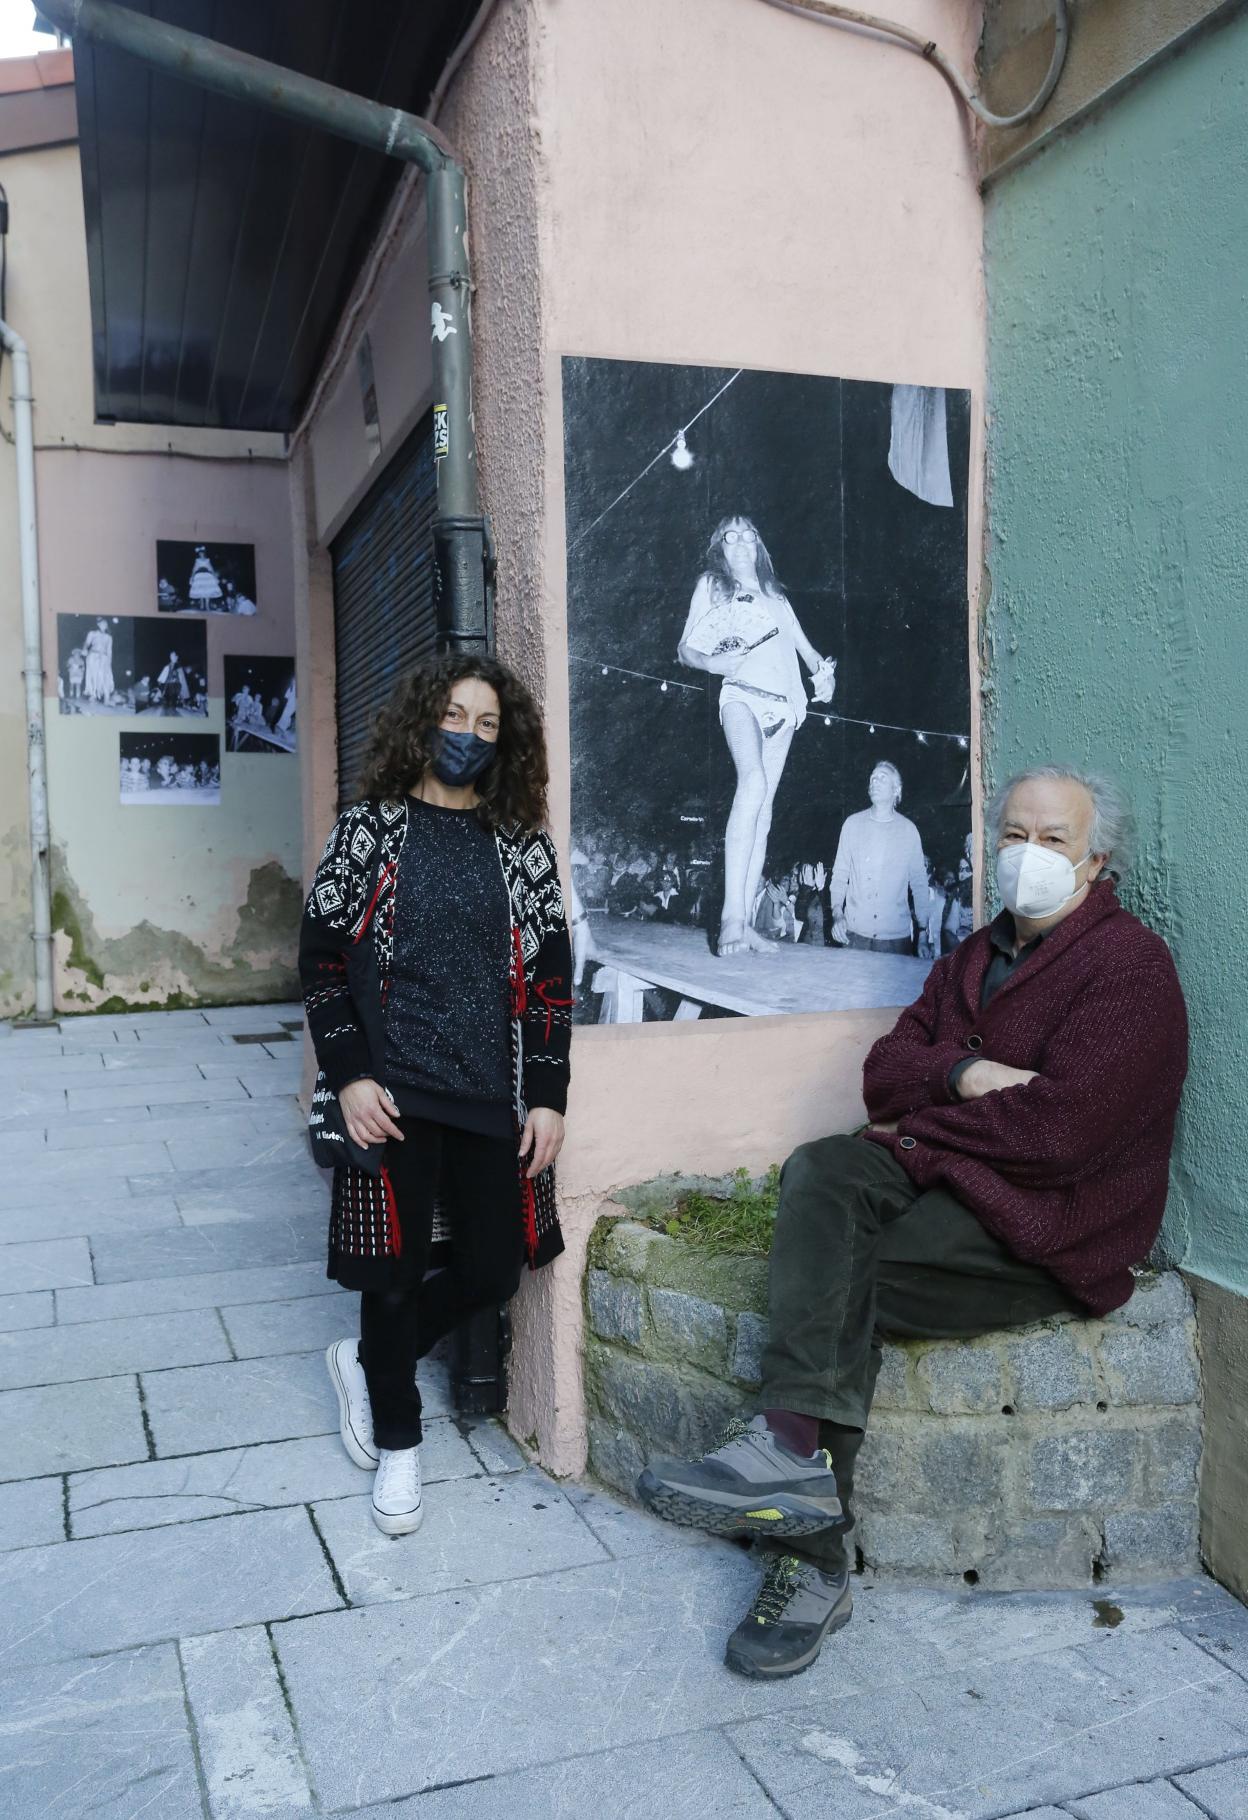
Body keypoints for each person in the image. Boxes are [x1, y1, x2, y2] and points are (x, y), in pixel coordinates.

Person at [638, 767, 1188, 1679]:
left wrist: (924, 1127)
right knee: (823, 1166)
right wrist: (964, 1077)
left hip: (1050, 1228)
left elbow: (1061, 1136)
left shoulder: (1129, 968)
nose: (1028, 856)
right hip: (960, 1185)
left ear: (1096, 860)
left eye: (1053, 840)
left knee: (838, 1285)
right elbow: (884, 1072)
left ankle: (807, 1562)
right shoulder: (972, 959)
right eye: (1014, 834)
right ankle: (789, 1462)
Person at [300, 654, 573, 1538]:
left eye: (488, 724)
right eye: (456, 715)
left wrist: (549, 1095)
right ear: (424, 719)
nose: (468, 735)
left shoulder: (521, 845)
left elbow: (553, 977)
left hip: (492, 1094)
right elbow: (322, 960)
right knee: (391, 1272)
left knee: (497, 1268)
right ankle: (400, 1439)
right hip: (393, 1092)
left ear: (507, 743)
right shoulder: (370, 830)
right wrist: (349, 1078)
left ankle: (370, 1360)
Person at [678, 517, 835, 957]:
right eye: (733, 536)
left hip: (785, 708)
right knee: (754, 782)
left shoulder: (777, 597)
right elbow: (686, 647)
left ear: (759, 546)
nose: (743, 543)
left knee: (763, 813)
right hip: (741, 696)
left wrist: (824, 677)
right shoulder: (713, 585)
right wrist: (713, 664)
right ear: (721, 548)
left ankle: (746, 921)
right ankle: (730, 917)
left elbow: (808, 653)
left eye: (750, 536)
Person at [829, 761, 929, 954]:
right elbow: (840, 875)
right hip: (855, 935)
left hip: (895, 941)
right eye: (872, 778)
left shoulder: (909, 830)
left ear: (896, 790)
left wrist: (923, 932)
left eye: (882, 778)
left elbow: (919, 883)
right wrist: (837, 915)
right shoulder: (852, 824)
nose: (875, 781)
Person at [83, 618, 115, 704]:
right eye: (102, 623)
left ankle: (106, 698)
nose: (104, 625)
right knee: (93, 676)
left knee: (105, 676)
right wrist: (84, 649)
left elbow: (109, 650)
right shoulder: (92, 633)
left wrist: (109, 662)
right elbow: (87, 643)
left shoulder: (109, 637)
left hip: (104, 658)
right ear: (98, 624)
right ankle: (93, 695)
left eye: (105, 623)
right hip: (93, 656)